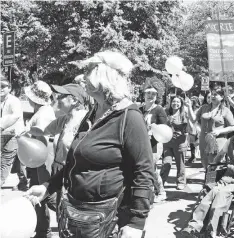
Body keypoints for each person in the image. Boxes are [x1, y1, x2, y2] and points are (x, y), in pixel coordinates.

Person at [25, 51, 155, 238]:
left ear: (104, 76)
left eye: (89, 70)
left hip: (109, 220)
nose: (83, 77)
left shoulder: (130, 117)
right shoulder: (93, 113)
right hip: (77, 217)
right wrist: (47, 186)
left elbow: (144, 171)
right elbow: (75, 161)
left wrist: (136, 222)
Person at [182, 118, 234, 238]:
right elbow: (220, 155)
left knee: (221, 195)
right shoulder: (230, 141)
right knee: (210, 193)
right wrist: (212, 166)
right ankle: (194, 226)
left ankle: (212, 230)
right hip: (228, 175)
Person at [29, 83, 90, 213]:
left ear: (74, 100)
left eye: (62, 95)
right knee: (61, 209)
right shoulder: (64, 119)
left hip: (75, 172)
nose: (57, 98)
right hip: (60, 170)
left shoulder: (86, 120)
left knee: (72, 210)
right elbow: (43, 131)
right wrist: (25, 131)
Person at [22, 80, 56, 238]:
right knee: (39, 192)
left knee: (47, 195)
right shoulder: (44, 110)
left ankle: (44, 231)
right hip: (39, 158)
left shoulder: (43, 113)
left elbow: (42, 134)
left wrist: (27, 132)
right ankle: (43, 230)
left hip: (42, 158)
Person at [186, 86, 234, 169]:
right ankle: (208, 178)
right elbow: (193, 119)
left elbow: (232, 127)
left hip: (218, 140)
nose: (212, 96)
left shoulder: (225, 110)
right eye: (212, 94)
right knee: (205, 161)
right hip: (204, 139)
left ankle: (212, 180)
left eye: (215, 95)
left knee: (214, 162)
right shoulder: (204, 107)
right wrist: (189, 107)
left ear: (222, 97)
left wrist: (220, 131)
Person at [140, 80, 168, 203]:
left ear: (157, 96)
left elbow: (165, 127)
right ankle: (149, 192)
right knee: (145, 168)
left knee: (151, 168)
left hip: (154, 144)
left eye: (153, 94)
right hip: (141, 143)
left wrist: (154, 128)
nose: (150, 96)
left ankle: (160, 191)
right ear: (144, 95)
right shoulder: (139, 109)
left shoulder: (159, 110)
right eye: (148, 93)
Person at [160, 96, 189, 190]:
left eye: (178, 102)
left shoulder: (184, 114)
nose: (175, 103)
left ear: (181, 104)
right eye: (173, 101)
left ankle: (181, 181)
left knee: (180, 164)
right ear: (170, 102)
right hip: (167, 142)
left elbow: (189, 128)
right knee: (166, 163)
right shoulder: (166, 113)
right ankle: (161, 182)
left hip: (180, 142)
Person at [1, 79, 25, 187]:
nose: (0, 88)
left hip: (14, 133)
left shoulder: (14, 101)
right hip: (4, 133)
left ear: (9, 88)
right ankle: (23, 181)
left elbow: (15, 116)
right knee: (16, 159)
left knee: (7, 158)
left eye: (3, 86)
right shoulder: (1, 100)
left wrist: (1, 127)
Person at [186, 96, 201, 164]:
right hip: (190, 128)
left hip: (197, 128)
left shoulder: (199, 109)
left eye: (193, 100)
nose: (192, 101)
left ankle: (195, 156)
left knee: (196, 143)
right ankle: (193, 156)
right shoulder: (189, 109)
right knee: (191, 143)